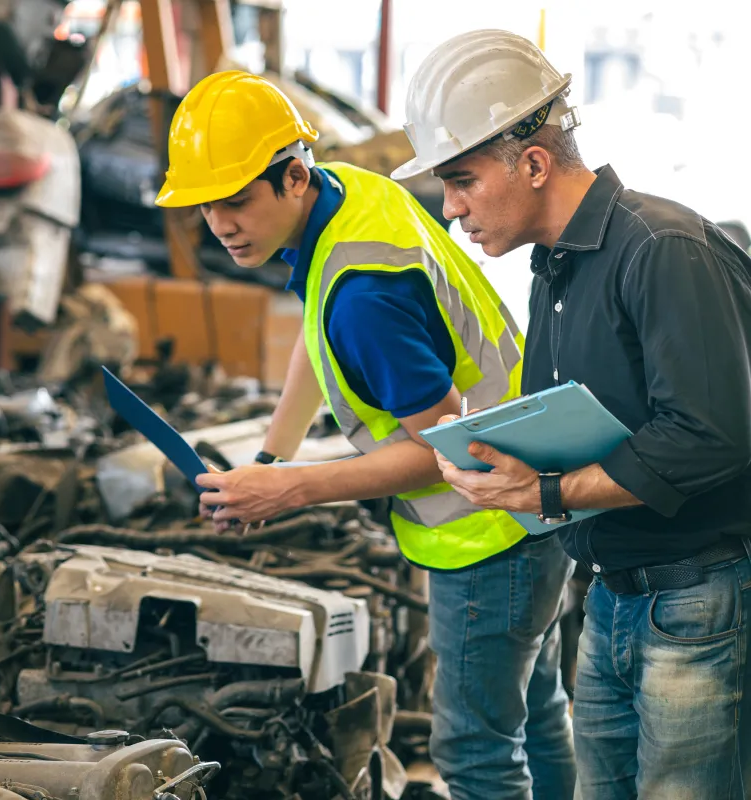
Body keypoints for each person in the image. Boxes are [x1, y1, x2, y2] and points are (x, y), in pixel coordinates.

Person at [155, 70, 576, 800]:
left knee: (475, 750)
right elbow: (320, 329)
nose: (219, 224)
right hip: (534, 497)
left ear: (292, 176)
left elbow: (449, 445)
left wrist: (287, 490)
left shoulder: (367, 298)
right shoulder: (349, 196)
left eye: (235, 201)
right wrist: (268, 455)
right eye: (204, 207)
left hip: (487, 534)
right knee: (537, 716)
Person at [391, 28, 751, 800]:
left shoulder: (662, 247)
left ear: (532, 160)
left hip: (695, 600)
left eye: (461, 181)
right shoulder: (554, 269)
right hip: (611, 599)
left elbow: (711, 436)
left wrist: (546, 493)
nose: (451, 211)